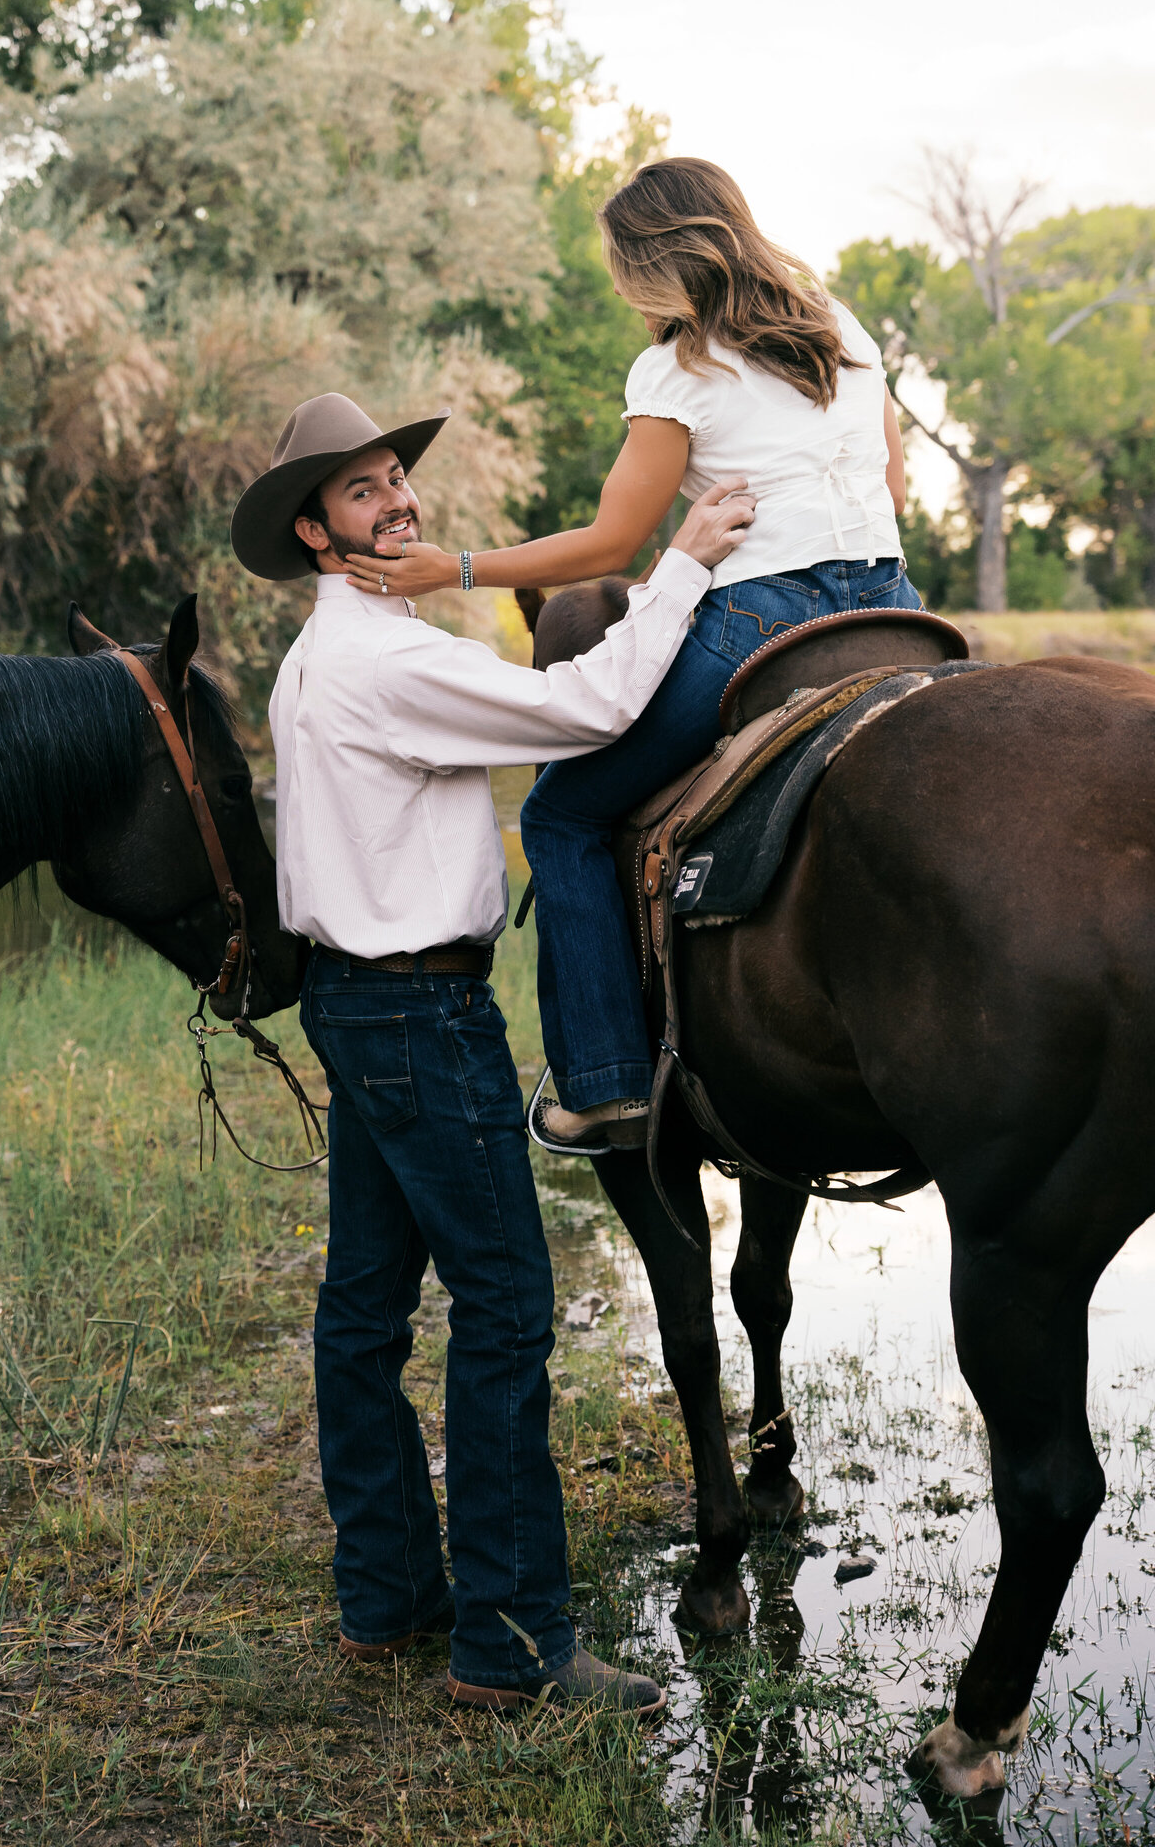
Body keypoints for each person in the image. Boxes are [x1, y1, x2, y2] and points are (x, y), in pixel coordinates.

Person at [230, 390, 751, 1712]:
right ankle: (514, 1644)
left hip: (356, 1004)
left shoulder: (323, 658)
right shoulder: (384, 663)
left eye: (396, 476)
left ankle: (388, 1597)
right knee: (508, 1311)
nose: (398, 498)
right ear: (315, 528)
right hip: (418, 1013)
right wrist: (685, 558)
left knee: (361, 1313)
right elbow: (586, 711)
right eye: (361, 491)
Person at [342, 157, 919, 1155]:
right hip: (894, 607)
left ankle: (603, 1082)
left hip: (765, 620)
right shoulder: (837, 326)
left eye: (619, 267)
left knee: (563, 812)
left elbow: (610, 547)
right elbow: (897, 495)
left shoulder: (675, 368)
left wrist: (457, 568)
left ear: (651, 263)